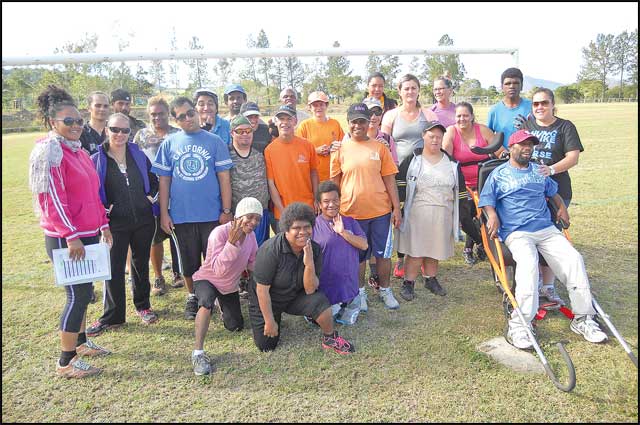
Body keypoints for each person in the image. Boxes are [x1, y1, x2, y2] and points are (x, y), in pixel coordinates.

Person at [478, 130, 607, 349]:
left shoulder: (539, 171)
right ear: (511, 148)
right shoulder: (498, 174)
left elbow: (553, 193)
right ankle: (520, 324)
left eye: (531, 145)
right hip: (517, 232)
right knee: (529, 264)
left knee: (574, 259)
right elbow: (487, 200)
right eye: (523, 144)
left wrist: (562, 207)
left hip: (546, 229)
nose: (527, 148)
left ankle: (583, 318)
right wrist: (492, 215)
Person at [29, 85, 112, 378]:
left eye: (79, 121)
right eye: (68, 121)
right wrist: (70, 235)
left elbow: (92, 193)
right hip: (67, 238)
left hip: (86, 233)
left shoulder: (76, 150)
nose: (76, 126)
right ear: (53, 122)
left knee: (85, 292)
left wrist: (103, 224)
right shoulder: (50, 151)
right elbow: (52, 199)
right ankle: (65, 361)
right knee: (77, 295)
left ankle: (80, 343)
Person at [151, 97, 233, 320]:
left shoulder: (215, 141)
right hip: (182, 215)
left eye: (190, 113)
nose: (188, 118)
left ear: (196, 112)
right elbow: (164, 181)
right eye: (181, 117)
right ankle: (193, 296)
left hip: (212, 214)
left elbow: (224, 178)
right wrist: (165, 213)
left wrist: (226, 211)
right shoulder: (169, 143)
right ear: (175, 120)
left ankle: (216, 296)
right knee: (188, 262)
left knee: (215, 259)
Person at [87, 113, 159, 336]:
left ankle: (143, 306)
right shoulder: (96, 159)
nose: (120, 134)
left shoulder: (138, 155)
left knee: (140, 264)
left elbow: (154, 179)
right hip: (114, 224)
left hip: (143, 220)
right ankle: (113, 315)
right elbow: (92, 193)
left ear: (130, 133)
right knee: (114, 268)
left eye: (125, 130)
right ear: (106, 130)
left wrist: (149, 198)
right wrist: (106, 213)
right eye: (115, 129)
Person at [249, 202, 355, 354]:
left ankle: (330, 338)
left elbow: (310, 290)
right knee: (266, 345)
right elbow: (261, 290)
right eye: (296, 228)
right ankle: (273, 317)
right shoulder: (270, 250)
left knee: (320, 300)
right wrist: (269, 321)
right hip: (268, 299)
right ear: (286, 229)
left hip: (293, 295)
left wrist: (309, 264)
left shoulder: (314, 249)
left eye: (307, 227)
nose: (303, 232)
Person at [331, 103, 402, 310]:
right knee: (358, 257)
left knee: (383, 255)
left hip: (380, 212)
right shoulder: (339, 150)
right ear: (348, 123)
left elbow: (389, 180)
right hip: (351, 213)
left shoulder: (380, 147)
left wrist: (396, 208)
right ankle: (359, 293)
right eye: (354, 122)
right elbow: (334, 184)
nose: (358, 126)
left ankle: (385, 289)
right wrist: (334, 212)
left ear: (368, 122)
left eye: (362, 121)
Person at [524, 87, 585, 306]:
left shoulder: (565, 126)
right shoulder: (527, 125)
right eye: (536, 104)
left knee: (550, 238)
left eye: (544, 103)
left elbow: (573, 157)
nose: (540, 107)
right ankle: (534, 283)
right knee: (531, 237)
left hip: (558, 189)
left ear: (552, 105)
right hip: (531, 192)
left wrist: (551, 170)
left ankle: (548, 285)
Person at [190, 197, 263, 375]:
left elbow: (253, 263)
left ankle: (221, 305)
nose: (254, 222)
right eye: (250, 217)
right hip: (207, 279)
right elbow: (218, 270)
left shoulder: (251, 236)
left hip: (229, 286)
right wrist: (231, 244)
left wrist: (263, 280)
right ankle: (198, 353)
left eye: (257, 219)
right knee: (206, 303)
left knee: (235, 326)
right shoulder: (219, 233)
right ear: (238, 217)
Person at [396, 122, 463, 301]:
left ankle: (430, 279)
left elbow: (461, 192)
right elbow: (400, 184)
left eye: (439, 137)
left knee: (435, 249)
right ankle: (408, 282)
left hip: (443, 213)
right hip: (418, 213)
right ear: (423, 136)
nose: (435, 140)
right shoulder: (413, 160)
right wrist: (397, 210)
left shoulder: (452, 163)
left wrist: (462, 217)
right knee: (416, 251)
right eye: (431, 136)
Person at [381, 74, 438, 279]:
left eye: (414, 88)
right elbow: (383, 143)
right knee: (401, 214)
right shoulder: (391, 116)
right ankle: (400, 258)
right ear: (400, 91)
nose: (410, 92)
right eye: (406, 88)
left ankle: (421, 256)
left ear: (419, 90)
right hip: (398, 172)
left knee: (422, 214)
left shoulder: (428, 115)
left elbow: (436, 141)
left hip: (424, 172)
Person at [133, 95, 184, 295]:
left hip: (176, 192)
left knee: (177, 235)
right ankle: (158, 277)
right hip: (151, 195)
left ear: (168, 113)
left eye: (161, 113)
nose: (157, 117)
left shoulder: (178, 133)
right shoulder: (142, 136)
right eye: (153, 114)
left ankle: (178, 273)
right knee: (155, 238)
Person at [443, 102, 504, 265]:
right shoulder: (451, 132)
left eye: (465, 115)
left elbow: (500, 151)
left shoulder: (482, 130)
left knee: (483, 213)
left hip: (485, 180)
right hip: (462, 182)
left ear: (472, 116)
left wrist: (507, 155)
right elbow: (445, 157)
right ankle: (481, 242)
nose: (462, 119)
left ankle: (469, 248)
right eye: (458, 116)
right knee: (465, 215)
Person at [312, 181, 368, 324]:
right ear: (319, 204)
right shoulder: (312, 226)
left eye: (335, 200)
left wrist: (343, 232)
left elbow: (364, 245)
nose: (331, 204)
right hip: (325, 290)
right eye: (326, 201)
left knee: (347, 321)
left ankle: (348, 305)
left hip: (349, 289)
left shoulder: (350, 222)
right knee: (323, 321)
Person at [264, 104, 319, 227]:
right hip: (284, 211)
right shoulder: (269, 150)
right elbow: (271, 184)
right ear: (276, 122)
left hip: (307, 208)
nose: (285, 123)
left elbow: (314, 173)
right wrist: (282, 210)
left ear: (295, 121)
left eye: (289, 119)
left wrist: (316, 199)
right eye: (281, 119)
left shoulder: (307, 146)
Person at [228, 115, 271, 247]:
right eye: (240, 131)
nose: (245, 134)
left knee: (260, 252)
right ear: (232, 133)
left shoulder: (259, 155)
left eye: (248, 131)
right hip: (239, 217)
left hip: (260, 216)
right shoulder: (226, 156)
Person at [295, 91, 345, 182]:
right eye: (315, 105)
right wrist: (315, 151)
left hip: (333, 174)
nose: (318, 108)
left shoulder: (335, 124)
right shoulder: (304, 126)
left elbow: (343, 145)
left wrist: (332, 148)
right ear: (310, 107)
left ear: (326, 105)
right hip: (313, 176)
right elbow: (298, 151)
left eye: (321, 104)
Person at [487, 68, 532, 149]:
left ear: (521, 86)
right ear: (502, 87)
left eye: (516, 83)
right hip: (503, 155)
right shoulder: (494, 110)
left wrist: (528, 128)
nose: (512, 86)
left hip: (528, 154)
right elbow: (488, 137)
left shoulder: (532, 107)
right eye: (507, 83)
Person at [79, 91, 109, 155]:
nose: (102, 109)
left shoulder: (115, 130)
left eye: (105, 106)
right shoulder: (81, 132)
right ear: (89, 108)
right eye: (98, 106)